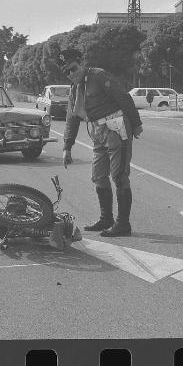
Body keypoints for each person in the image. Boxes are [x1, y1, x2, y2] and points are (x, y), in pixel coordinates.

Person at [58, 49, 143, 237]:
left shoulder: (98, 76)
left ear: (81, 63)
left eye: (73, 68)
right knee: (98, 176)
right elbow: (71, 118)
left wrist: (136, 124)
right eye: (67, 72)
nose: (71, 74)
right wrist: (67, 147)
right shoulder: (75, 90)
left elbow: (124, 98)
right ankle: (106, 218)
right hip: (98, 133)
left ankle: (123, 224)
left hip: (116, 129)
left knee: (119, 176)